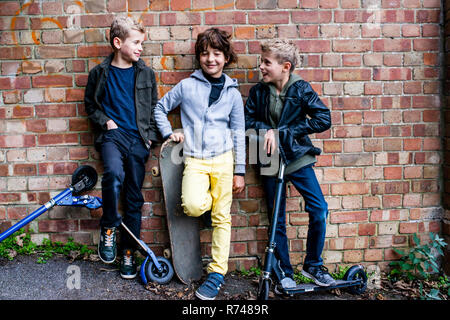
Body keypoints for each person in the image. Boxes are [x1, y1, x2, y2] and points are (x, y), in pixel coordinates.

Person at [154, 28, 246, 300]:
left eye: (217, 53)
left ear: (226, 57)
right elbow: (160, 107)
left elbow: (239, 132)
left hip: (224, 160)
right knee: (193, 205)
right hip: (194, 159)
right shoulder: (187, 86)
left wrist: (239, 171)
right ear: (199, 57)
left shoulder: (232, 93)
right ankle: (210, 205)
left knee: (222, 218)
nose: (211, 59)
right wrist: (169, 133)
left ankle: (217, 273)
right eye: (205, 54)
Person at [244, 39, 335, 288]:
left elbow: (323, 118)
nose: (260, 66)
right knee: (277, 219)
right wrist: (269, 130)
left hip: (297, 156)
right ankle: (284, 272)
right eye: (261, 61)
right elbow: (247, 121)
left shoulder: (301, 88)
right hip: (269, 158)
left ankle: (313, 266)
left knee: (319, 209)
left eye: (266, 62)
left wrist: (284, 131)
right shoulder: (258, 92)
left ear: (285, 66)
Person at [84, 16, 160, 279]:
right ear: (118, 43)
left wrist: (148, 137)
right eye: (136, 42)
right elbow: (91, 106)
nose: (140, 48)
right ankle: (108, 228)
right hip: (112, 138)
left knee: (133, 199)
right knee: (113, 174)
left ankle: (128, 253)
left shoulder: (146, 73)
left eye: (142, 43)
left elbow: (152, 108)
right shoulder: (100, 73)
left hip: (137, 142)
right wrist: (106, 122)